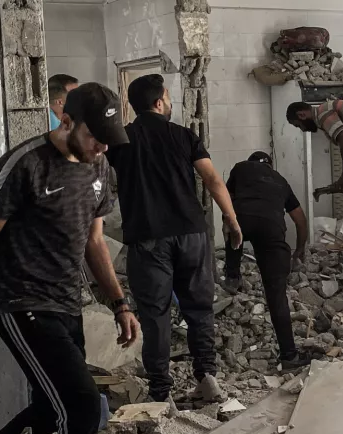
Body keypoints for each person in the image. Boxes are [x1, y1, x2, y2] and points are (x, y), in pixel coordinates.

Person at [0, 83, 139, 434]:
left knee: (51, 410)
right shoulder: (25, 164)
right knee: (82, 407)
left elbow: (94, 241)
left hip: (67, 302)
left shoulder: (98, 167)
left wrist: (120, 304)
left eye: (108, 141)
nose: (101, 148)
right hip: (21, 302)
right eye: (94, 138)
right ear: (66, 121)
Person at [104, 74, 242, 404]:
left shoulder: (120, 141)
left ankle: (161, 394)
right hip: (192, 234)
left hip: (148, 238)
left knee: (155, 317)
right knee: (199, 309)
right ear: (158, 103)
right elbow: (212, 179)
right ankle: (207, 377)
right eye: (167, 97)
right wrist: (231, 217)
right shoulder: (183, 135)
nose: (169, 103)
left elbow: (104, 181)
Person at [221, 151, 310, 369]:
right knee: (277, 295)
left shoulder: (240, 168)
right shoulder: (280, 180)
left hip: (243, 221)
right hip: (272, 229)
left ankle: (232, 275)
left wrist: (228, 225)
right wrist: (299, 250)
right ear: (270, 165)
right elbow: (300, 220)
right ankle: (289, 356)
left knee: (235, 231)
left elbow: (228, 200)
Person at [285, 99, 343, 269]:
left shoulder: (323, 114)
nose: (302, 130)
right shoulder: (328, 112)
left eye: (298, 125)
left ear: (301, 115)